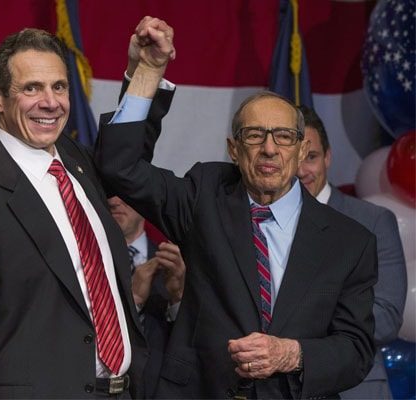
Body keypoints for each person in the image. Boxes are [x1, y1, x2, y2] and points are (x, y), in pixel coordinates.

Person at [95, 18, 378, 399]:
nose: (269, 148)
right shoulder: (204, 196)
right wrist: (146, 72)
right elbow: (120, 168)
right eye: (254, 135)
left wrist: (291, 353)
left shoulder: (350, 242)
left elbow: (356, 350)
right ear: (233, 149)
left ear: (299, 151)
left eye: (283, 137)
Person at [0, 20, 173, 399]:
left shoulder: (77, 159)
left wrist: (144, 72)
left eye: (59, 87)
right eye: (32, 88)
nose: (51, 102)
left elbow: (127, 156)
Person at [297, 105, 407, 399]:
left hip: (355, 389)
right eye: (293, 158)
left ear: (328, 157)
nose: (302, 170)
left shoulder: (373, 221)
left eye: (311, 157)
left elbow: (386, 317)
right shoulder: (261, 223)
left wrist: (299, 329)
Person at [108, 195, 185, 397]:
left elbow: (195, 342)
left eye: (122, 195)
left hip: (159, 389)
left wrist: (178, 296)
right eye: (107, 194)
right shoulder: (88, 260)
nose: (114, 202)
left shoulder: (177, 262)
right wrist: (134, 299)